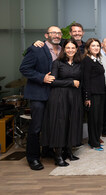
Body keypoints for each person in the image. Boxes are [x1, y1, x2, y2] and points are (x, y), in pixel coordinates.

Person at [19, 26, 62, 170]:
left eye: (58, 33)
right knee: (36, 127)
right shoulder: (37, 48)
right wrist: (41, 77)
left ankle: (47, 150)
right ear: (46, 35)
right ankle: (33, 158)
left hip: (55, 95)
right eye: (53, 33)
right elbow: (24, 68)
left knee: (50, 126)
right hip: (38, 94)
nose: (56, 35)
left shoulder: (62, 49)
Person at [41, 39, 83, 166]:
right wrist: (71, 82)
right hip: (59, 97)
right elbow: (52, 82)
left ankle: (69, 152)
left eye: (73, 48)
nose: (70, 50)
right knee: (60, 125)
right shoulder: (57, 63)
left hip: (74, 97)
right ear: (64, 49)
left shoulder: (79, 64)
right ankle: (58, 156)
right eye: (68, 48)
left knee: (72, 123)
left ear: (76, 50)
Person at [82, 38, 106, 151]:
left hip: (100, 93)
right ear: (88, 48)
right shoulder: (86, 60)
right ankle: (93, 143)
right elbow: (85, 80)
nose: (96, 47)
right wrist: (87, 97)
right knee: (93, 119)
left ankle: (97, 139)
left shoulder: (96, 59)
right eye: (93, 46)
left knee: (99, 119)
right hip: (93, 95)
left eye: (97, 45)